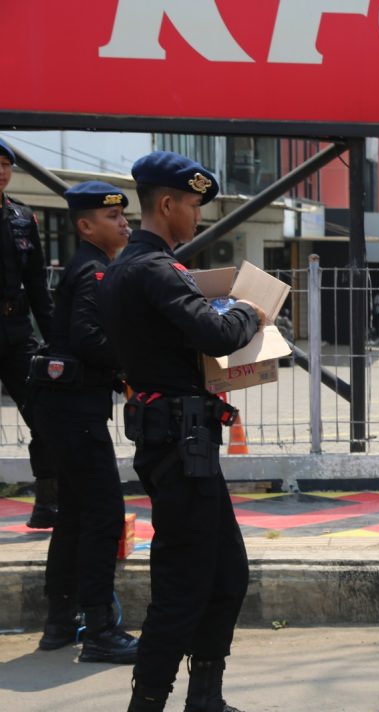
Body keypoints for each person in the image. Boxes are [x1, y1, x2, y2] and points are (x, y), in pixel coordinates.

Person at [98, 151, 267, 712]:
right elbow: (217, 335)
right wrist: (249, 309)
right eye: (193, 205)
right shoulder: (153, 270)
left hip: (182, 442)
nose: (197, 216)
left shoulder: (131, 270)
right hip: (178, 444)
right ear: (166, 204)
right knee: (182, 583)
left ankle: (206, 697)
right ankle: (148, 701)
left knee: (227, 573)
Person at [32, 181, 138, 663]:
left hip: (66, 410)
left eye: (123, 216)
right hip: (76, 414)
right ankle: (99, 629)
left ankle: (60, 622)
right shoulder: (94, 271)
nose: (124, 223)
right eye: (112, 217)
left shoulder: (89, 267)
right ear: (85, 225)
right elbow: (89, 337)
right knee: (103, 515)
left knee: (74, 517)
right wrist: (134, 366)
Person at [0, 137, 57, 528]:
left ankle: (48, 504)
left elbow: (37, 285)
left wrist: (55, 340)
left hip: (16, 331)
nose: (2, 171)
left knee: (44, 413)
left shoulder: (22, 218)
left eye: (6, 165)